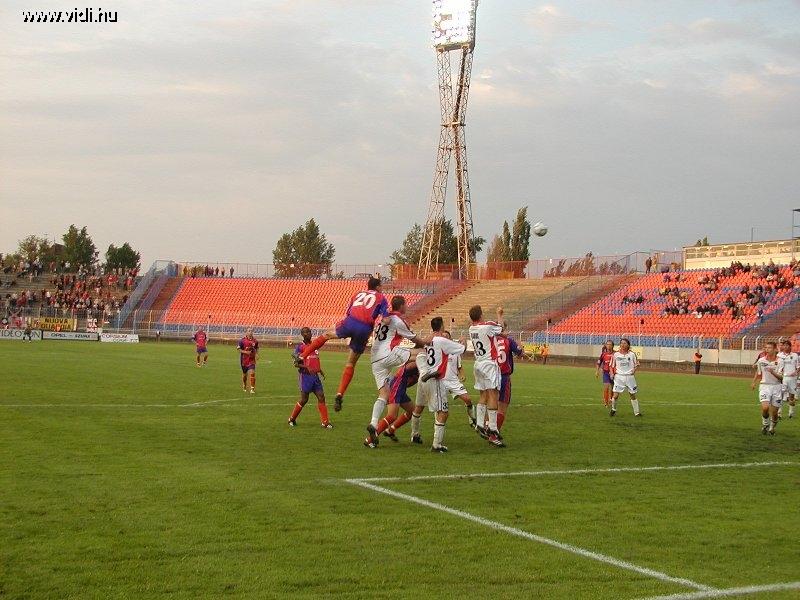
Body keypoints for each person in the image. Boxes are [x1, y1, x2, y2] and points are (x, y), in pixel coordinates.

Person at [300, 277, 389, 412]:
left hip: (351, 322)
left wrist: (348, 329)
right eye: (381, 286)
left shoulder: (357, 294)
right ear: (377, 287)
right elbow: (386, 319)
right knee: (350, 363)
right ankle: (340, 394)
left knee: (327, 335)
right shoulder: (381, 298)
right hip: (365, 329)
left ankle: (302, 355)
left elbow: (348, 312)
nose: (382, 288)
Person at [365, 295, 428, 447]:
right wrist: (428, 345)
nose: (407, 307)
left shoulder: (383, 319)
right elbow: (414, 339)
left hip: (375, 359)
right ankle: (427, 377)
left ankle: (375, 424)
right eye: (406, 304)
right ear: (401, 306)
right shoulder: (398, 320)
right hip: (388, 354)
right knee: (423, 354)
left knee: (385, 396)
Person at [418, 316, 467, 452]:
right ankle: (436, 444)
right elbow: (462, 349)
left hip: (429, 377)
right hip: (437, 379)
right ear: (441, 326)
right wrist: (463, 341)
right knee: (443, 412)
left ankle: (437, 443)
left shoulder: (429, 339)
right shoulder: (441, 340)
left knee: (441, 411)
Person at [468, 305, 506, 447]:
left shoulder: (471, 329)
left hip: (478, 364)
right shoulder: (487, 326)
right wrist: (499, 314)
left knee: (483, 394)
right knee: (493, 395)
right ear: (481, 315)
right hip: (489, 363)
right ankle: (493, 427)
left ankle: (479, 423)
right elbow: (501, 328)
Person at [366, 358, 420, 447]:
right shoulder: (418, 360)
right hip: (396, 387)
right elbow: (407, 367)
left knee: (413, 412)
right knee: (392, 416)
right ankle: (370, 440)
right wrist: (421, 364)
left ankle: (390, 430)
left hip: (400, 388)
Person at [288, 327, 332, 428]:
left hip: (315, 377)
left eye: (309, 332)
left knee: (321, 397)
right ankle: (292, 419)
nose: (309, 333)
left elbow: (314, 359)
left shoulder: (314, 345)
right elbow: (295, 363)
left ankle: (325, 422)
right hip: (305, 376)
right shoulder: (300, 347)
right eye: (306, 332)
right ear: (302, 334)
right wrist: (306, 367)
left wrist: (319, 370)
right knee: (304, 400)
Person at [495, 333, 530, 431]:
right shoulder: (509, 340)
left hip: (491, 376)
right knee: (502, 407)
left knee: (491, 404)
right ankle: (494, 433)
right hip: (504, 377)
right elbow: (520, 353)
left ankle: (485, 426)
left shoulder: (491, 340)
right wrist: (520, 345)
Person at [752, 342, 783, 435]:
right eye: (766, 348)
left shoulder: (780, 361)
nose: (767, 349)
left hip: (777, 387)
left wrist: (772, 372)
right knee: (765, 408)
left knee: (774, 413)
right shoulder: (761, 360)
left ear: (775, 349)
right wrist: (754, 382)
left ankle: (772, 427)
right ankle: (765, 424)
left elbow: (781, 378)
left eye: (769, 348)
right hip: (764, 386)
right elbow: (758, 372)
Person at [609, 338, 642, 417]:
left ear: (628, 345)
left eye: (624, 343)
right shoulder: (616, 354)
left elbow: (636, 364)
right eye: (621, 343)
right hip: (619, 377)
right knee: (615, 396)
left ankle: (637, 412)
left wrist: (634, 370)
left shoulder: (632, 354)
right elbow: (611, 365)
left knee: (632, 395)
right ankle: (613, 409)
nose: (623, 345)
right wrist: (611, 373)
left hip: (630, 377)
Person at [777, 340, 798, 419]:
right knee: (780, 395)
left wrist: (795, 372)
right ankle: (779, 413)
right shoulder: (779, 355)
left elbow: (798, 366)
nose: (785, 347)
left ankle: (791, 412)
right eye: (784, 345)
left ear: (790, 346)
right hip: (782, 378)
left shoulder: (795, 355)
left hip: (792, 378)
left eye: (787, 345)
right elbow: (777, 366)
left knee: (791, 396)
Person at [237, 329, 259, 394]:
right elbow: (238, 349)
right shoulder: (242, 341)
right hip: (244, 360)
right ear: (246, 332)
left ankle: (252, 389)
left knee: (252, 372)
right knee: (244, 375)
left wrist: (257, 354)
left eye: (251, 331)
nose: (250, 332)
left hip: (251, 360)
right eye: (249, 331)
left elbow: (257, 348)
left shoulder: (255, 341)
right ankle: (244, 384)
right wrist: (246, 352)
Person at [595, 340, 615, 407]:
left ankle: (611, 399)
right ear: (606, 345)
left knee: (613, 388)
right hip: (606, 372)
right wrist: (597, 371)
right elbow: (598, 363)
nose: (608, 346)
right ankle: (606, 402)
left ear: (612, 346)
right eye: (607, 344)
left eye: (610, 344)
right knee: (606, 387)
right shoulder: (603, 354)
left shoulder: (615, 354)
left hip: (613, 373)